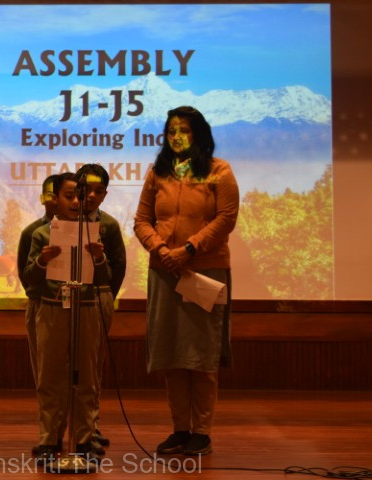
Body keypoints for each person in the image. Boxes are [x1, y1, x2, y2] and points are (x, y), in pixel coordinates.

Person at [133, 106, 239, 456]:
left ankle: (202, 432)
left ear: (199, 134)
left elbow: (226, 218)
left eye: (184, 130)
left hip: (204, 270)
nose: (176, 137)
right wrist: (160, 249)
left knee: (202, 354)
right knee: (171, 353)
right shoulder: (157, 172)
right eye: (171, 131)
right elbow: (141, 221)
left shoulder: (219, 171)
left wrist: (190, 248)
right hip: (164, 270)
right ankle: (180, 429)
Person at [23, 172, 122, 465]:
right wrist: (42, 261)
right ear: (54, 199)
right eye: (69, 196)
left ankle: (84, 439)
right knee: (50, 377)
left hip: (87, 308)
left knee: (86, 377)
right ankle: (49, 438)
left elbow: (105, 278)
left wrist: (99, 258)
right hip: (52, 309)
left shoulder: (94, 232)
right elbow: (29, 279)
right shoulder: (41, 234)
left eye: (80, 196)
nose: (77, 202)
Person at [73, 164, 126, 450]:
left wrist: (105, 297)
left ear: (105, 195)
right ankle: (64, 428)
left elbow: (119, 267)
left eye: (98, 191)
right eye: (86, 190)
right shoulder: (61, 220)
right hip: (65, 302)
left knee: (92, 366)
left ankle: (91, 426)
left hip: (97, 299)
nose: (91, 196)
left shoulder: (109, 226)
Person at [17, 174, 58, 391]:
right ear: (43, 198)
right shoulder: (31, 232)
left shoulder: (84, 230)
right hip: (39, 303)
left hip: (72, 306)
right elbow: (24, 274)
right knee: (43, 367)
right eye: (50, 195)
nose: (54, 200)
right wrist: (37, 293)